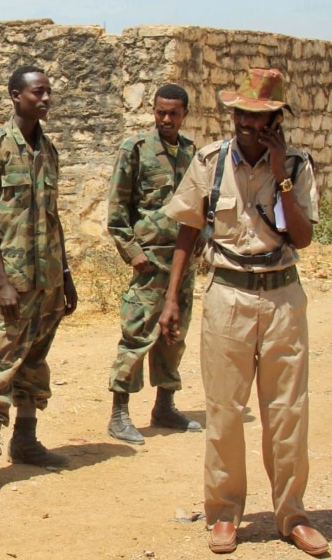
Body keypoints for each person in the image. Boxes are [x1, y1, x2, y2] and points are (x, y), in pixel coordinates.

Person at [158, 68, 329, 556]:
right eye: (245, 119)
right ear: (232, 116)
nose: (252, 130)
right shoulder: (210, 162)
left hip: (282, 298)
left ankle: (292, 514)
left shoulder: (295, 166)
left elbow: (302, 237)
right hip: (227, 297)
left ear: (278, 122)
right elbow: (188, 231)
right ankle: (225, 513)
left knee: (287, 411)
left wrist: (280, 177)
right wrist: (173, 298)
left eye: (264, 122)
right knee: (225, 411)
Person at [0, 65, 79, 499]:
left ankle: (26, 440)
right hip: (13, 282)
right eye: (38, 92)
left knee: (34, 362)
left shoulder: (48, 150)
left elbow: (54, 219)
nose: (46, 99)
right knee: (0, 365)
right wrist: (2, 283)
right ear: (16, 96)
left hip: (47, 280)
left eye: (49, 91)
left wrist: (65, 275)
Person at [105, 83, 201, 445]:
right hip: (150, 261)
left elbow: (200, 206)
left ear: (184, 114)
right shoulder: (136, 150)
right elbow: (117, 210)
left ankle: (165, 405)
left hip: (184, 261)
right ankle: (119, 414)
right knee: (137, 334)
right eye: (160, 112)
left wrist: (202, 244)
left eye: (173, 113)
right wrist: (134, 253)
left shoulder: (193, 153)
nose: (165, 119)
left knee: (174, 336)